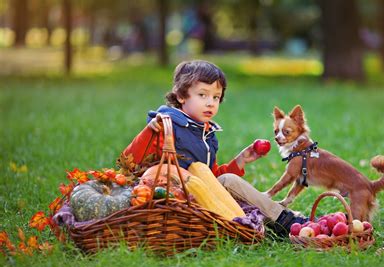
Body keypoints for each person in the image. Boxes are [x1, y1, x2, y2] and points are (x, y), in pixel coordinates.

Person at [121, 60, 307, 236]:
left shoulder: (207, 134)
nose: (210, 102)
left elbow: (213, 178)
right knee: (222, 183)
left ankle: (283, 220)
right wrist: (149, 131)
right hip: (174, 198)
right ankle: (276, 220)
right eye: (202, 95)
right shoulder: (165, 126)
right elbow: (129, 162)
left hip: (203, 196)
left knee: (228, 179)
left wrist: (240, 161)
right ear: (180, 96)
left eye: (216, 97)